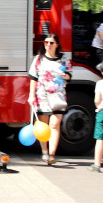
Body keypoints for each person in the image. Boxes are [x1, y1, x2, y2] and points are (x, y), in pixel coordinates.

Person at [27, 32, 72, 165]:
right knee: (44, 125)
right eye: (46, 42)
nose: (48, 45)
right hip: (42, 96)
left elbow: (70, 76)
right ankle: (45, 152)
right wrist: (31, 95)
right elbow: (33, 79)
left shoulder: (64, 59)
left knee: (55, 124)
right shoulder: (38, 59)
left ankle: (52, 154)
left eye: (51, 42)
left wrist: (64, 75)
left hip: (58, 95)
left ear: (57, 44)